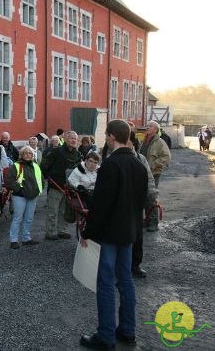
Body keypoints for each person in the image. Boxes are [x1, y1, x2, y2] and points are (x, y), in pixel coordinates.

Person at [79, 119, 148, 350]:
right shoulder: (138, 165)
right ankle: (128, 331)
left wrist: (87, 232)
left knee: (106, 282)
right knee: (126, 279)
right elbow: (141, 202)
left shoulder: (110, 165)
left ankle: (106, 336)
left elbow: (101, 205)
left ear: (110, 137)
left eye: (107, 135)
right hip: (129, 232)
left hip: (110, 234)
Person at [126, 131, 159, 279]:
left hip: (136, 204)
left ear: (132, 143)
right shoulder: (110, 157)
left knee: (137, 236)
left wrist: (152, 197)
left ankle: (135, 265)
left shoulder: (141, 159)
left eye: (127, 141)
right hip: (119, 204)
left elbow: (149, 180)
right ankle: (119, 265)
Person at [40, 131, 82, 240]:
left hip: (69, 188)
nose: (73, 140)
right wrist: (47, 177)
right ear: (65, 139)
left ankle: (61, 230)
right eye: (71, 138)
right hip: (56, 185)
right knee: (52, 210)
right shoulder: (57, 151)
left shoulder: (77, 154)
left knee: (64, 210)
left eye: (75, 139)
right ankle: (50, 232)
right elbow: (44, 165)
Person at [5, 146, 44, 249]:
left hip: (33, 196)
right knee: (17, 218)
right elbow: (9, 180)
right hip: (20, 196)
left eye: (30, 153)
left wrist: (39, 190)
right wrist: (19, 190)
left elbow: (41, 180)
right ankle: (13, 240)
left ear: (32, 155)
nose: (28, 154)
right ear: (21, 155)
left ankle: (26, 238)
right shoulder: (16, 166)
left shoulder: (36, 166)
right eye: (25, 153)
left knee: (29, 218)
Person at [139, 120, 170, 231]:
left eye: (150, 126)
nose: (147, 127)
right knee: (144, 197)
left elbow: (166, 157)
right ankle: (147, 220)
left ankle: (153, 223)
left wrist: (153, 165)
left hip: (153, 173)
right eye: (148, 125)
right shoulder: (144, 141)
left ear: (156, 129)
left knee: (151, 197)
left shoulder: (160, 142)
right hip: (142, 173)